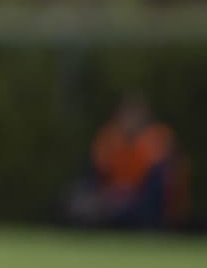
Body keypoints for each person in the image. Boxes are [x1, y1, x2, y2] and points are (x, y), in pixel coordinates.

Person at [65, 93, 190, 229]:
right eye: (127, 114)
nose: (130, 120)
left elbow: (158, 190)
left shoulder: (157, 141)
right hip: (112, 200)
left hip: (145, 204)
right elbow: (93, 176)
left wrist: (127, 196)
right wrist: (106, 196)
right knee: (80, 204)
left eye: (135, 115)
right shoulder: (110, 139)